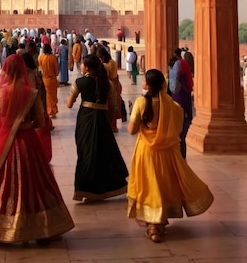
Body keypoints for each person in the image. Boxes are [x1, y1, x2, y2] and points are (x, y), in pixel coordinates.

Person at [0, 54, 74, 246]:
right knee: (37, 185)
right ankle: (44, 229)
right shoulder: (31, 93)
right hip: (28, 145)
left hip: (4, 148)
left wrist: (6, 126)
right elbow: (41, 123)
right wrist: (23, 123)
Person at [127, 69, 214, 243]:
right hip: (167, 152)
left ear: (148, 84)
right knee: (163, 185)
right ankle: (158, 222)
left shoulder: (140, 103)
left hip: (147, 151)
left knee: (150, 186)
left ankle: (154, 226)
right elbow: (178, 129)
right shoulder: (173, 106)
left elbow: (131, 130)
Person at [66, 53, 128, 202]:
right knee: (102, 153)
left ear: (87, 67)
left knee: (86, 153)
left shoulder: (80, 82)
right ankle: (106, 188)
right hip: (101, 120)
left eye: (82, 64)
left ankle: (87, 190)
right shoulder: (107, 83)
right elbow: (113, 105)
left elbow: (69, 104)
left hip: (85, 120)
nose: (80, 66)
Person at [168, 48, 194, 158]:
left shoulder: (179, 64)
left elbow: (173, 84)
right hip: (184, 94)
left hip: (178, 96)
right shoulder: (184, 64)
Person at [38, 43, 59, 118]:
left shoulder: (41, 57)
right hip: (52, 79)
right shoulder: (52, 58)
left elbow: (39, 67)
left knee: (47, 96)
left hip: (44, 78)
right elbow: (56, 70)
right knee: (52, 96)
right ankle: (52, 111)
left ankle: (48, 110)